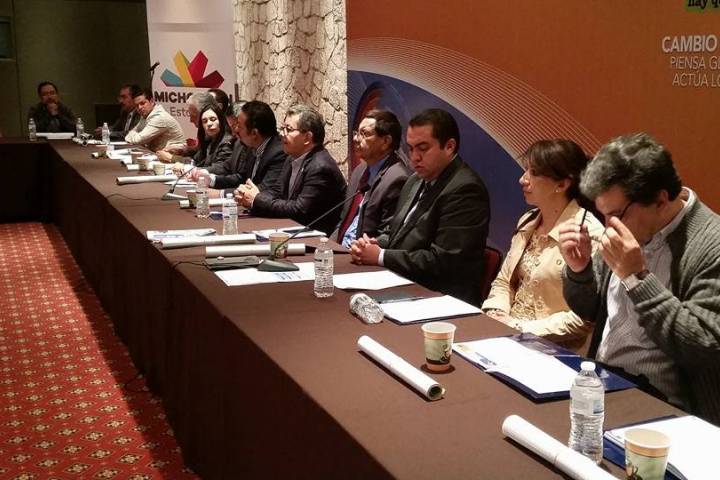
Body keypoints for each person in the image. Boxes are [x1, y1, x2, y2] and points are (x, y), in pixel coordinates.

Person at [559, 132, 720, 425]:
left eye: (616, 214)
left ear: (661, 200)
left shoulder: (712, 245)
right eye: (603, 214)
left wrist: (637, 279)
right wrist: (579, 271)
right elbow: (589, 308)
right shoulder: (628, 227)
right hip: (605, 385)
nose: (609, 226)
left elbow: (704, 348)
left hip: (669, 410)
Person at [350, 109, 490, 306]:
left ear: (449, 146)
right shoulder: (415, 181)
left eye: (422, 148)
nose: (414, 157)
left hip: (441, 297)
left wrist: (381, 256)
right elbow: (397, 233)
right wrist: (373, 244)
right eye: (410, 148)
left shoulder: (465, 190)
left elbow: (443, 261)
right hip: (403, 283)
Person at [482, 139, 603, 348]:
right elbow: (504, 281)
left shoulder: (588, 234)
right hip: (508, 334)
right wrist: (497, 313)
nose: (522, 179)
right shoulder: (528, 221)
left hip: (552, 348)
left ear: (562, 184)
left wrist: (519, 327)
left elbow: (583, 318)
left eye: (534, 173)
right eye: (526, 170)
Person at [235, 104, 346, 236]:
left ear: (307, 138)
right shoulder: (291, 157)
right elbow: (277, 192)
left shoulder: (320, 167)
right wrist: (252, 194)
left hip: (315, 238)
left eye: (288, 129)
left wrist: (256, 199)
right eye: (282, 128)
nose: (282, 134)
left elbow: (299, 210)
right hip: (291, 229)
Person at [333, 109, 411, 248]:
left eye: (365, 134)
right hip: (339, 248)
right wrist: (327, 245)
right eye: (357, 133)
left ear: (386, 141)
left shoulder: (397, 179)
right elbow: (343, 221)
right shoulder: (359, 171)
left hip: (362, 253)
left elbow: (387, 236)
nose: (355, 139)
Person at [190, 100, 286, 193]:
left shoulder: (278, 153)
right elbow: (242, 179)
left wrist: (220, 194)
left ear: (254, 133)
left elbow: (262, 191)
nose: (235, 130)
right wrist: (211, 180)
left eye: (239, 126)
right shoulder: (253, 147)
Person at [159, 103, 233, 171]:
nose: (209, 124)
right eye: (205, 121)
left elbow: (219, 168)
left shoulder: (227, 142)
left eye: (213, 119)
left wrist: (183, 166)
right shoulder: (209, 140)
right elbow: (195, 161)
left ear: (221, 121)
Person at [125, 87, 185, 151]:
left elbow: (138, 140)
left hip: (174, 155)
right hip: (159, 153)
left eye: (142, 103)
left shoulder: (159, 117)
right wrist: (133, 136)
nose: (139, 107)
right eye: (137, 105)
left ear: (152, 101)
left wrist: (132, 136)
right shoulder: (145, 115)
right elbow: (133, 133)